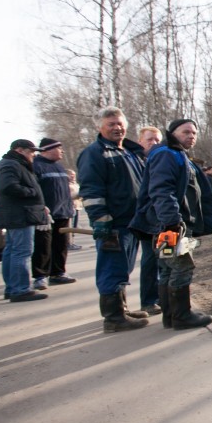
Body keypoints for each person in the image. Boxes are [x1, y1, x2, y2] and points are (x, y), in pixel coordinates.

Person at [130, 119, 212, 330]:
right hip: (172, 226)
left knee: (168, 266)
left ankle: (170, 315)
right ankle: (181, 315)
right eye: (186, 132)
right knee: (182, 265)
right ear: (172, 133)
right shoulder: (167, 154)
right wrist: (172, 222)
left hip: (173, 224)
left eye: (194, 133)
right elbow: (161, 190)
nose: (191, 136)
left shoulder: (177, 154)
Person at [77, 107, 150, 332]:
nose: (117, 128)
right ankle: (113, 317)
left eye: (120, 123)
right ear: (100, 127)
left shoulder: (129, 151)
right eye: (111, 124)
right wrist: (100, 219)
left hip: (132, 222)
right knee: (112, 268)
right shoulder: (95, 153)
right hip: (114, 223)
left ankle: (122, 309)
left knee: (123, 268)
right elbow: (90, 189)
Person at [0, 139, 49, 302]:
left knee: (12, 251)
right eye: (31, 151)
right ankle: (20, 289)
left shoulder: (10, 163)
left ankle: (12, 288)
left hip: (17, 214)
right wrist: (32, 192)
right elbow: (8, 186)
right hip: (20, 215)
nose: (33, 154)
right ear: (19, 150)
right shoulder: (11, 165)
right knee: (21, 251)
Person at [31, 138, 77, 289]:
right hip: (46, 214)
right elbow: (35, 191)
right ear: (47, 150)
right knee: (43, 246)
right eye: (59, 148)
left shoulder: (59, 167)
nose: (62, 151)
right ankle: (40, 276)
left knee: (61, 245)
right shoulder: (36, 167)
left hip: (63, 212)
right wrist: (40, 209)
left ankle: (58, 273)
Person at [136, 126, 163, 317]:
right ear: (140, 142)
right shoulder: (136, 161)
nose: (154, 143)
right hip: (146, 219)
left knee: (166, 258)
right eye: (150, 140)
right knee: (150, 259)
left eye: (157, 140)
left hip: (163, 217)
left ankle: (163, 297)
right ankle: (149, 301)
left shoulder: (161, 160)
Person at [66, 168, 84, 250]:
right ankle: (69, 243)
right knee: (71, 226)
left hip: (78, 206)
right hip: (70, 207)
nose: (73, 177)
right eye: (71, 175)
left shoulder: (76, 184)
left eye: (74, 175)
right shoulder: (66, 184)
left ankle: (73, 242)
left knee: (75, 226)